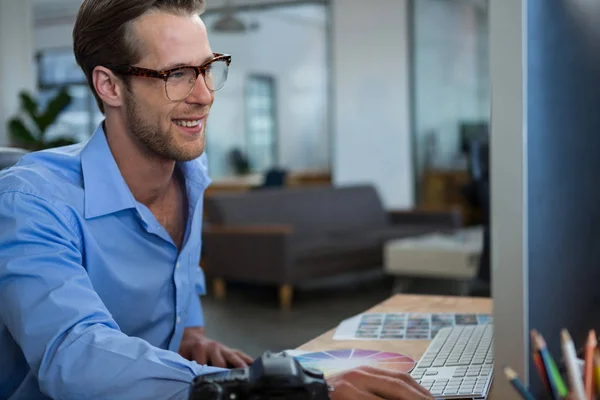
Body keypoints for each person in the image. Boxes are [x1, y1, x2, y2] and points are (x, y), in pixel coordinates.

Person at [0, 1, 433, 399]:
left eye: (208, 68)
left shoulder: (191, 175)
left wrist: (192, 343)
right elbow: (73, 355)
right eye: (177, 75)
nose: (205, 95)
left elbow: (180, 317)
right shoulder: (32, 200)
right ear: (109, 87)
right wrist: (247, 389)